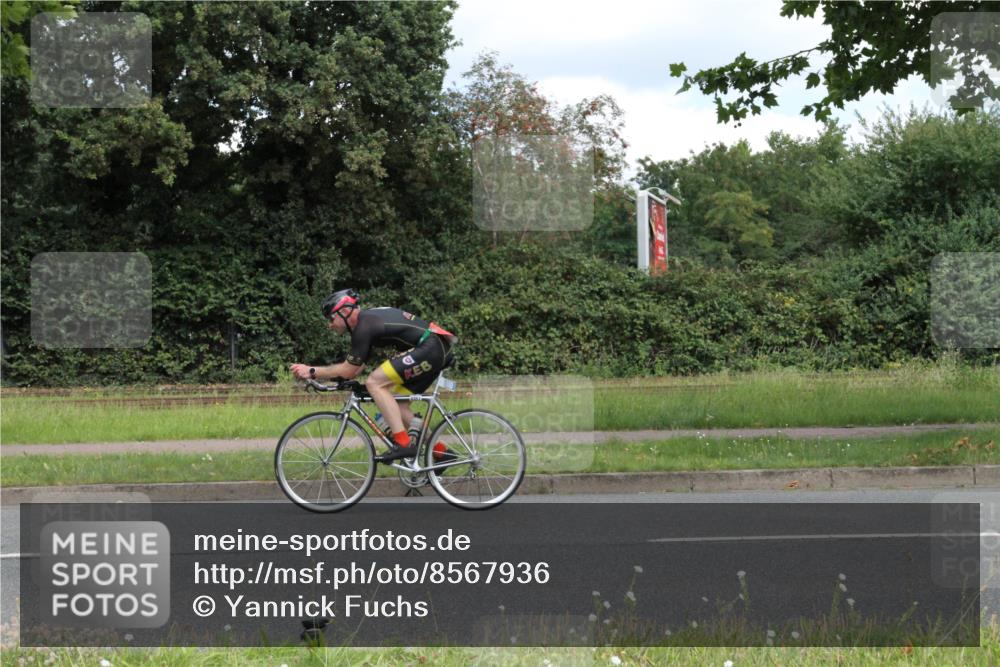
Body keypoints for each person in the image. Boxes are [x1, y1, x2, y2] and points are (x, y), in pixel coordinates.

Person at [289, 288, 458, 462]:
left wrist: (312, 371)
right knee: (398, 408)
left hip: (429, 348)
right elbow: (355, 369)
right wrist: (334, 380)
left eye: (331, 318)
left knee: (375, 383)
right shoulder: (366, 324)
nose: (329, 324)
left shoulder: (364, 326)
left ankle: (403, 443)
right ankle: (441, 453)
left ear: (345, 311)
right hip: (434, 347)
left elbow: (348, 370)